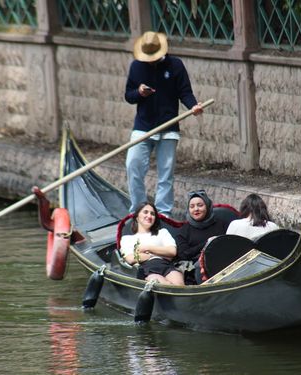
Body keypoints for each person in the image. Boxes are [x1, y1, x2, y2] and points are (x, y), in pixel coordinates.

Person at [124, 31, 203, 217]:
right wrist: (139, 93)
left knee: (165, 174)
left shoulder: (175, 65)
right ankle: (138, 210)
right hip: (143, 127)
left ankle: (163, 214)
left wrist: (193, 106)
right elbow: (128, 95)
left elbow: (185, 92)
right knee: (132, 165)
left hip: (168, 128)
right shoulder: (137, 66)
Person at [119, 202, 184, 286]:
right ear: (137, 217)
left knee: (179, 285)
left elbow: (172, 251)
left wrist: (147, 248)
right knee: (165, 285)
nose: (149, 216)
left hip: (166, 266)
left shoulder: (162, 232)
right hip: (146, 269)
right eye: (145, 212)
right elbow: (131, 259)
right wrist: (157, 254)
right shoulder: (127, 239)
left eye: (152, 214)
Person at [175, 190, 230, 284]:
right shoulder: (184, 230)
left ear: (208, 206)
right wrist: (207, 243)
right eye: (192, 206)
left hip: (222, 269)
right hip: (195, 273)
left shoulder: (221, 225)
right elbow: (183, 254)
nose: (196, 209)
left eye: (200, 205)